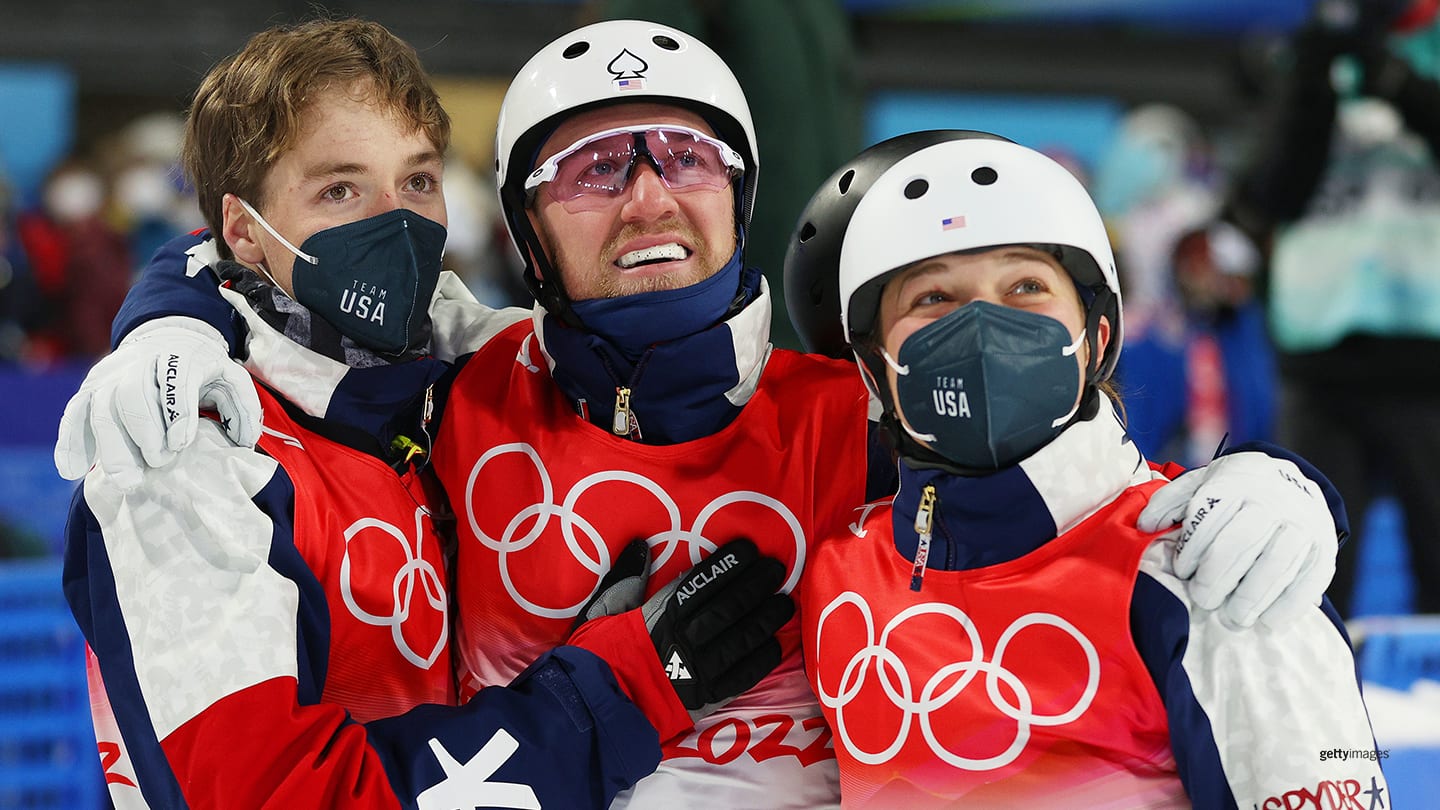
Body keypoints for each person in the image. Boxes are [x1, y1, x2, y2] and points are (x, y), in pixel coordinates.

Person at [61, 20, 1351, 810]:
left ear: (742, 193)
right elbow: (284, 314)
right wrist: (172, 315)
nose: (646, 198)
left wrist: (1275, 491)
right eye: (589, 169)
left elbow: (1076, 480)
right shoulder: (459, 386)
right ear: (526, 230)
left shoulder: (871, 416)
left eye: (684, 156)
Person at [58, 18, 792, 808]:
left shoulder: (450, 373)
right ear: (244, 230)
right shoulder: (183, 458)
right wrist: (609, 697)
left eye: (416, 182)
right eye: (340, 190)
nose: (396, 224)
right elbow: (278, 795)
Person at [790, 132, 1385, 807]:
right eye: (933, 298)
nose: (982, 327)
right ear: (874, 371)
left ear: (1096, 338)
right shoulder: (834, 574)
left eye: (1026, 286)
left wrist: (1291, 481)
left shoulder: (1209, 569)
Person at [1210, 0, 1440, 617]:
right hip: (1320, 359)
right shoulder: (1308, 52)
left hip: (1427, 353)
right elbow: (1273, 193)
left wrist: (1397, 82)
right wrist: (1315, 76)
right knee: (1308, 573)